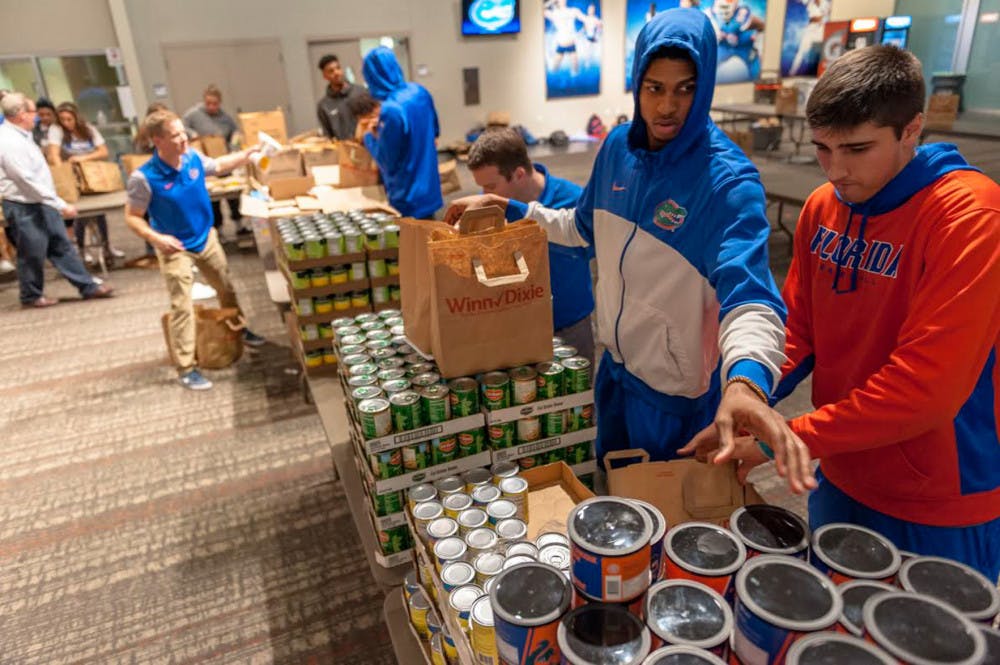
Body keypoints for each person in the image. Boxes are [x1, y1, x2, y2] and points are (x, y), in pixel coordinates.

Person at [446, 9, 810, 489]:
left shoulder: (726, 183)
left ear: (705, 88)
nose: (667, 106)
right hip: (614, 371)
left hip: (672, 396)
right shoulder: (618, 148)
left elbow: (753, 300)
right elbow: (581, 228)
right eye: (654, 88)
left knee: (665, 512)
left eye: (685, 88)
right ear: (637, 84)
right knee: (611, 488)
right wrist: (510, 208)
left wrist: (745, 381)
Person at [682, 46, 1000, 580]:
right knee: (832, 616)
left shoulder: (970, 217)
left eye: (856, 149)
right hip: (840, 471)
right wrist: (750, 392)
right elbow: (798, 329)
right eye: (822, 148)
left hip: (938, 497)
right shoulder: (823, 207)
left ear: (912, 129)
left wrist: (784, 438)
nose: (836, 170)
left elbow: (926, 391)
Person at [124, 110, 266, 391]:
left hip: (206, 238)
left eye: (183, 132)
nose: (183, 139)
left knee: (226, 288)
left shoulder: (192, 157)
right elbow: (132, 216)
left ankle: (238, 327)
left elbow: (218, 165)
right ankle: (186, 367)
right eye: (174, 135)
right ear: (157, 141)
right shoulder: (144, 178)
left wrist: (246, 154)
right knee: (182, 305)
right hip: (174, 247)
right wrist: (156, 238)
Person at [466, 127, 596, 360]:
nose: (484, 195)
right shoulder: (490, 207)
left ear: (518, 174)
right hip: (514, 327)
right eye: (481, 187)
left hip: (569, 327)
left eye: (491, 187)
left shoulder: (573, 201)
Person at [0, 93, 113, 306]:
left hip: (40, 201)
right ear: (21, 114)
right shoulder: (8, 140)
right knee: (32, 252)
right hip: (24, 205)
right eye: (33, 112)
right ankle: (31, 296)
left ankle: (87, 286)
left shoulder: (22, 135)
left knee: (61, 245)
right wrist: (59, 203)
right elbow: (25, 180)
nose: (36, 117)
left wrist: (52, 201)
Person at [360, 47, 442, 220]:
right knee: (430, 232)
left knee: (412, 236)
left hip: (408, 195)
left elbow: (386, 160)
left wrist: (368, 136)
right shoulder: (420, 92)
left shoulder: (391, 109)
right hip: (429, 188)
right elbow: (434, 132)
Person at [47, 101, 124, 263]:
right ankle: (82, 249)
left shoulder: (88, 128)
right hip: (73, 178)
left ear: (76, 117)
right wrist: (64, 174)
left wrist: (83, 158)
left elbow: (103, 151)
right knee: (80, 214)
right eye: (63, 119)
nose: (66, 123)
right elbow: (54, 155)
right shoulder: (56, 130)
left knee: (99, 213)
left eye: (69, 119)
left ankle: (106, 246)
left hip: (92, 176)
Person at [182, 85, 246, 235]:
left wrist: (234, 146)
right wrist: (193, 134)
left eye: (215, 104)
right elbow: (182, 127)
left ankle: (239, 225)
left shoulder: (225, 118)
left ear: (220, 103)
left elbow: (235, 133)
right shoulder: (193, 114)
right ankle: (218, 230)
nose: (211, 107)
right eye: (208, 103)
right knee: (212, 200)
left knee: (232, 197)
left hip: (223, 159)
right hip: (205, 162)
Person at [316, 54, 366, 141]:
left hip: (366, 145)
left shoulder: (361, 92)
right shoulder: (324, 106)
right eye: (331, 71)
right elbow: (328, 136)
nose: (336, 73)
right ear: (324, 76)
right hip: (343, 148)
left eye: (338, 68)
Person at [789, 0, 830, 76]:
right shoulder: (809, 2)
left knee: (822, 52)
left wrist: (821, 17)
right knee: (801, 51)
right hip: (811, 28)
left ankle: (822, 75)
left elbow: (827, 14)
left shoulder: (825, 3)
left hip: (820, 29)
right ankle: (792, 71)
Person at [545, 0, 584, 76]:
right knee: (554, 69)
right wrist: (552, 1)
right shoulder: (554, 14)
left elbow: (585, 18)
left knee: (575, 72)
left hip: (571, 44)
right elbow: (541, 9)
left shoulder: (573, 11)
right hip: (561, 45)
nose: (562, 1)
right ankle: (549, 60)